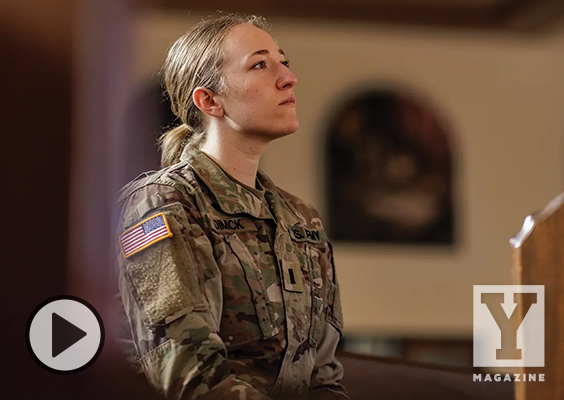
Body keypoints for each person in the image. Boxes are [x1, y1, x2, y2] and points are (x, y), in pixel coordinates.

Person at [116, 14, 347, 400]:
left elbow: (323, 377)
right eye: (260, 64)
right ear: (209, 100)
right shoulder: (162, 204)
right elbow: (189, 374)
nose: (288, 77)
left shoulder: (301, 219)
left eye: (283, 61)